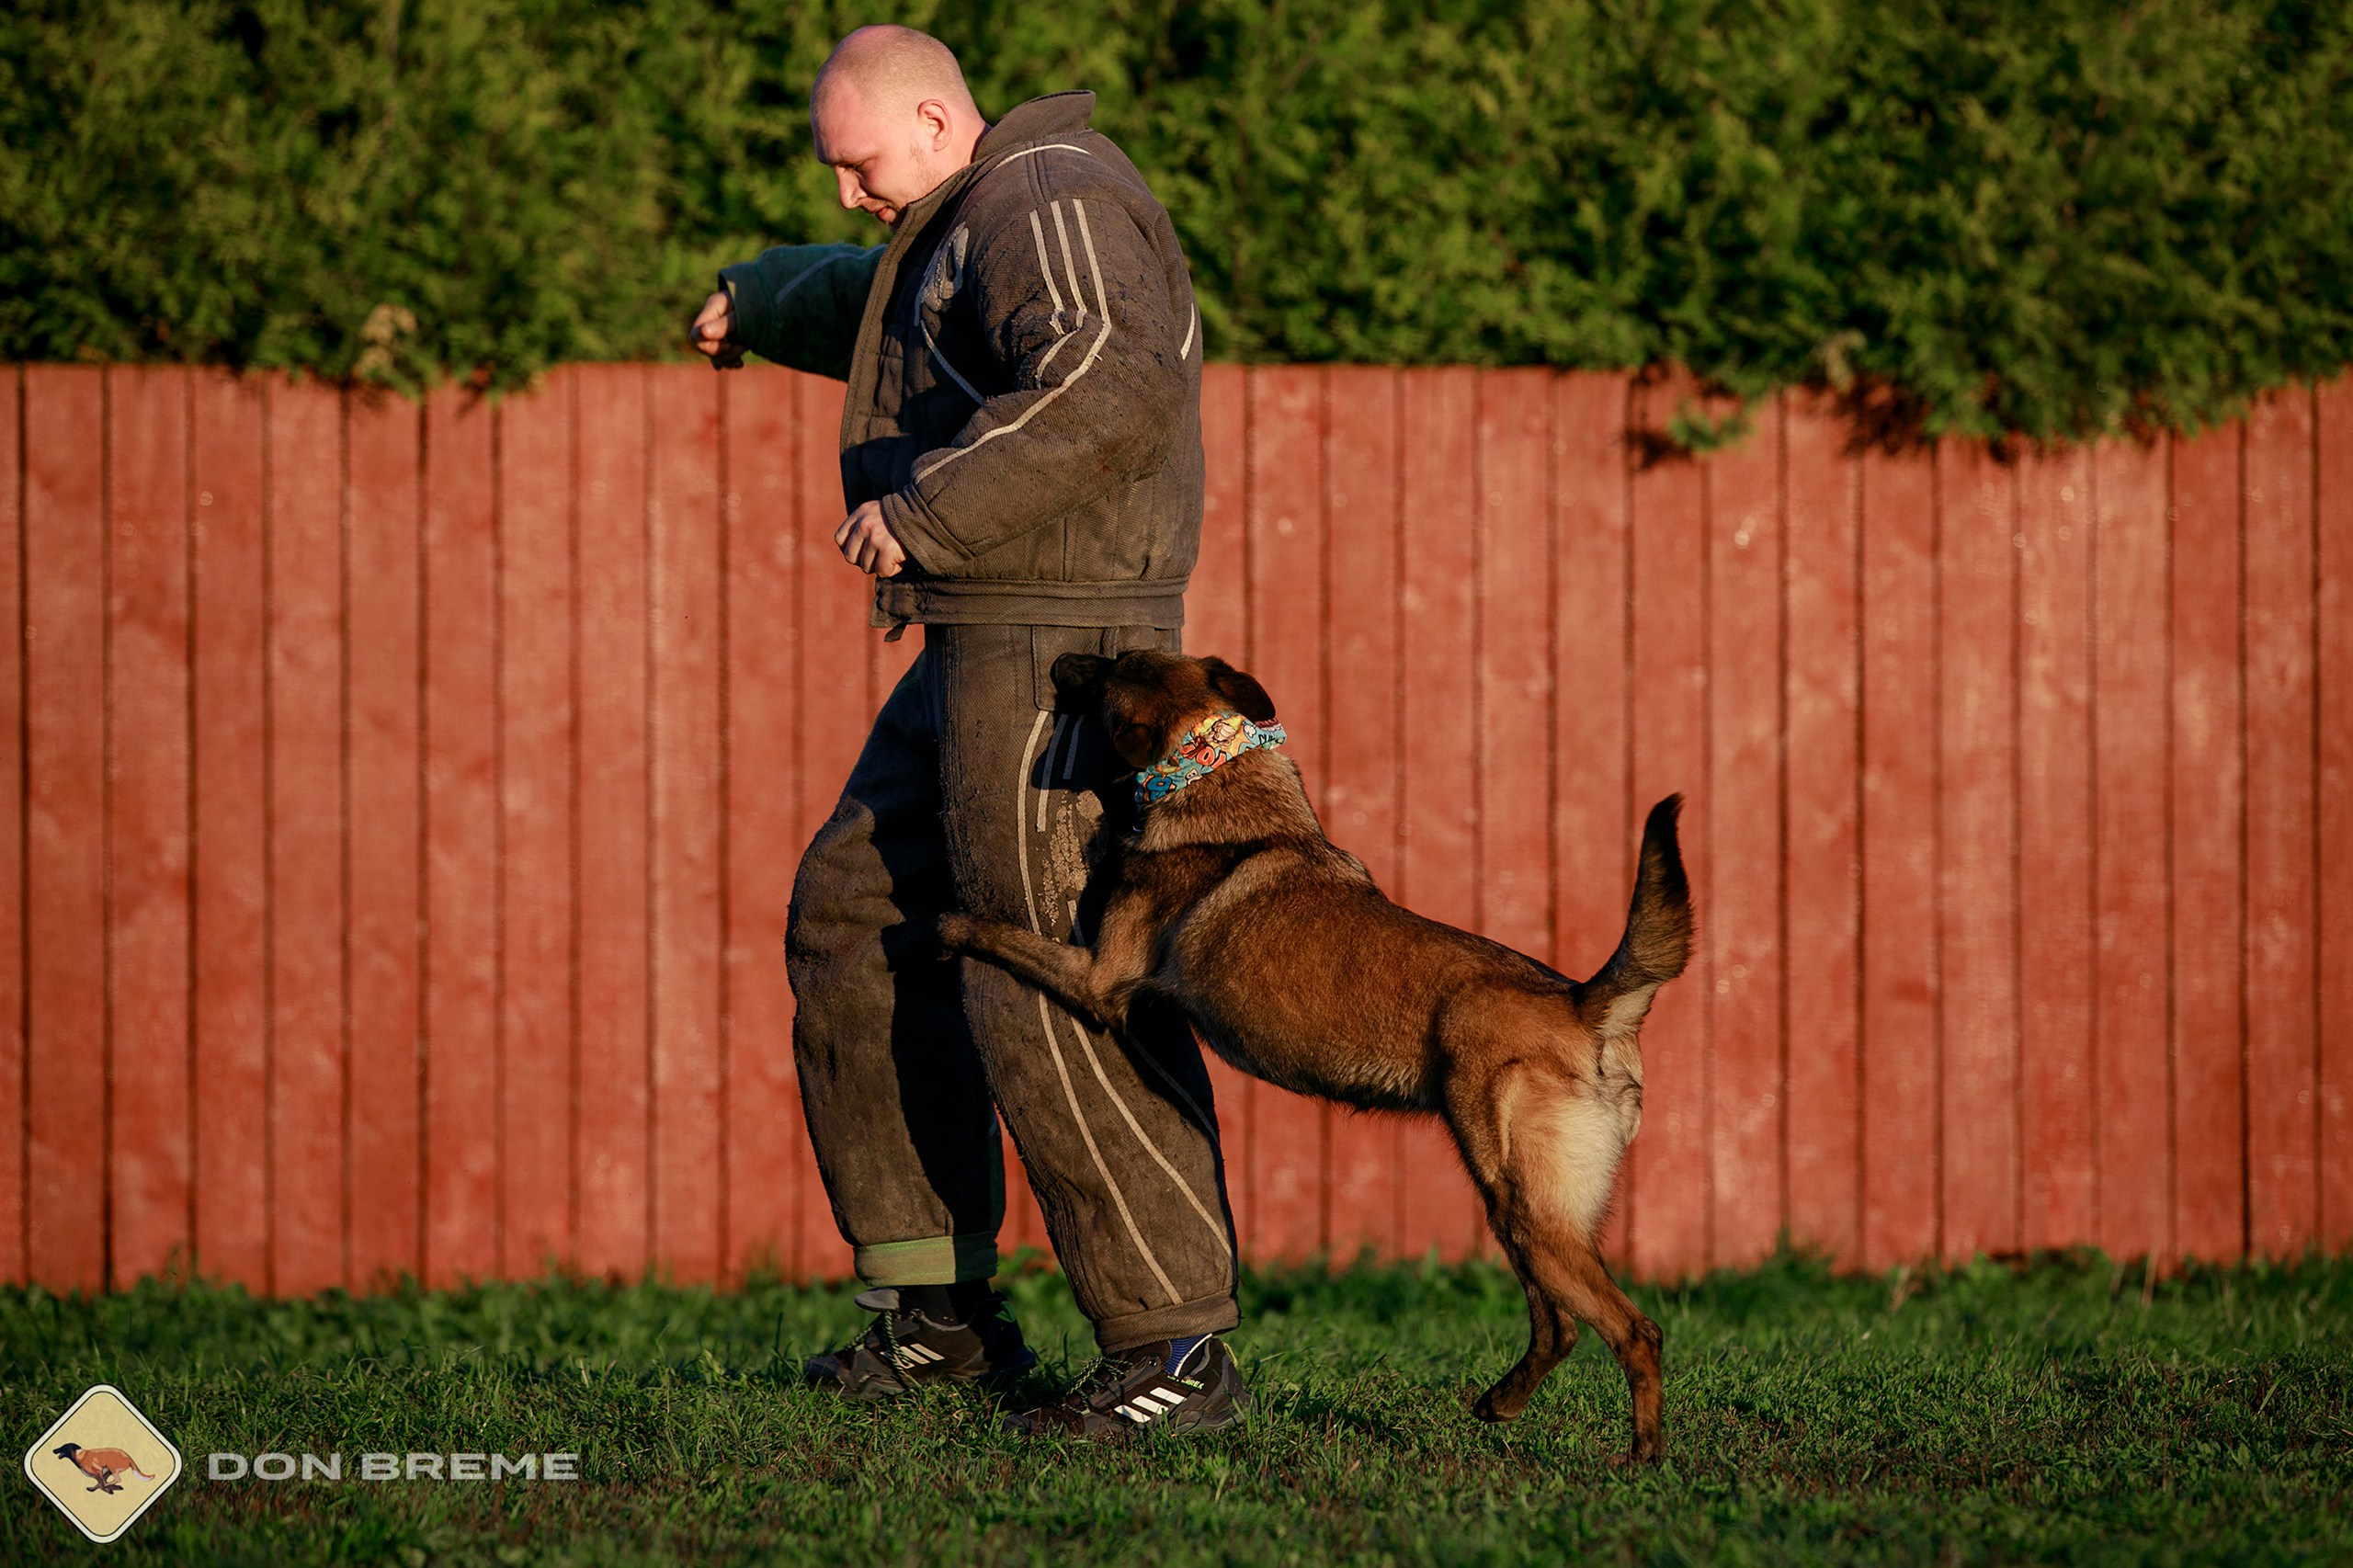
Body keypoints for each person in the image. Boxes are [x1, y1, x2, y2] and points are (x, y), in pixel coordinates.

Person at [690, 25, 1245, 1441]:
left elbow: (1110, 380)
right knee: (854, 914)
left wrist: (922, 511)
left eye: (858, 165)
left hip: (1065, 650)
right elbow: (890, 304)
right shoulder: (967, 215)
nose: (847, 195)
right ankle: (937, 1315)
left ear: (937, 121)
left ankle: (1174, 1347)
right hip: (978, 635)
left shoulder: (1050, 197)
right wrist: (752, 303)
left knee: (1043, 960)